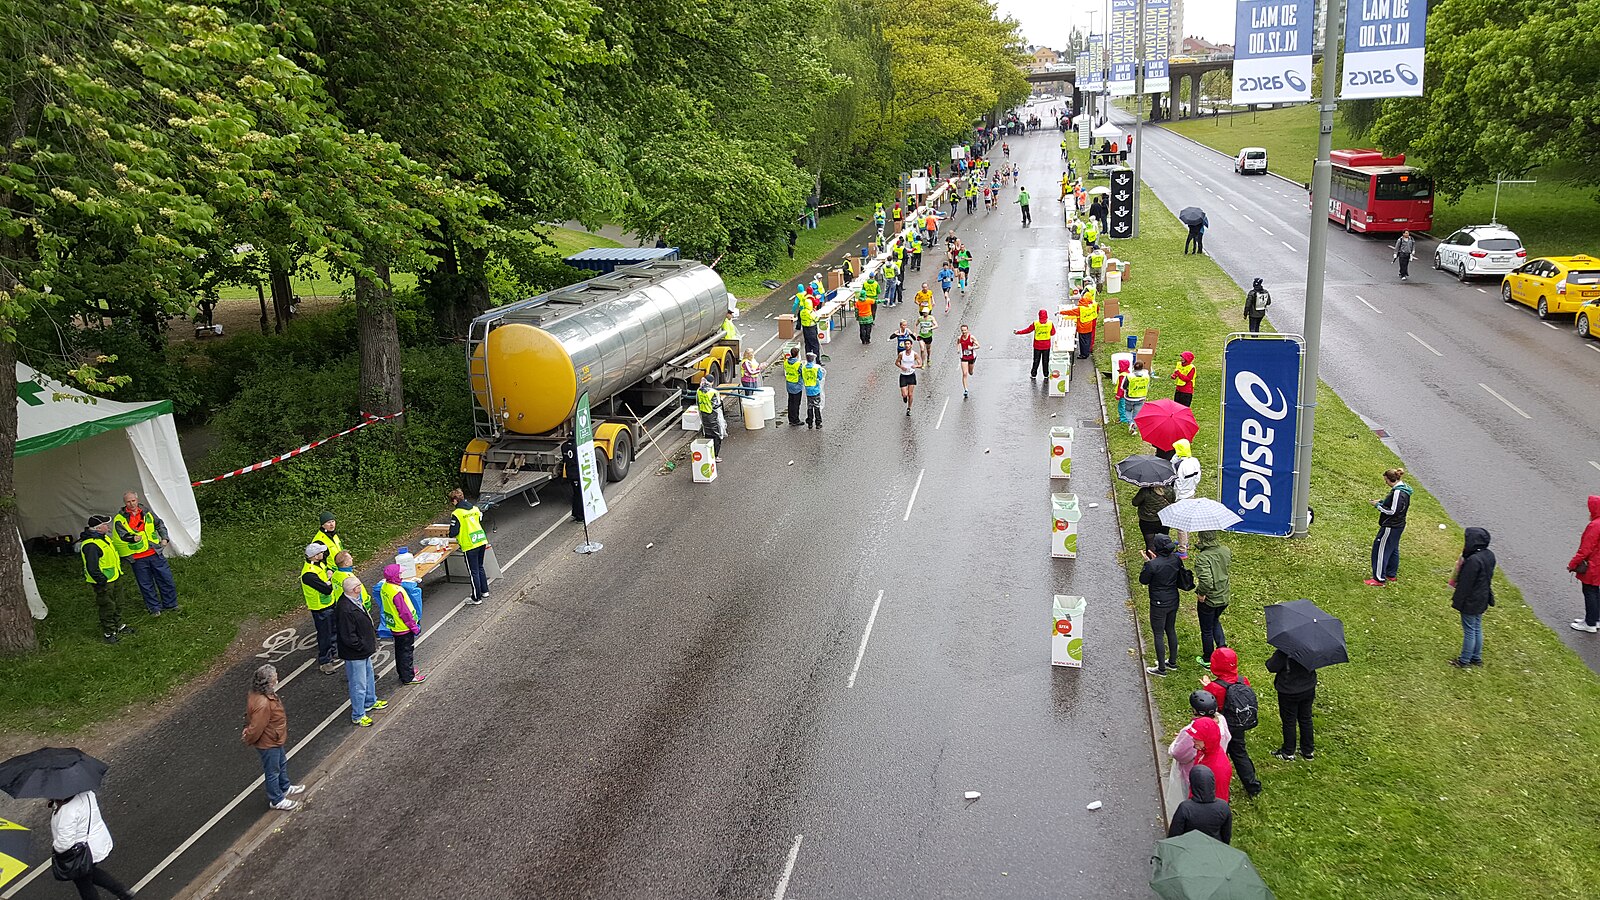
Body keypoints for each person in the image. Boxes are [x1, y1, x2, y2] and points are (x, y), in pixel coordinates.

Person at [48, 790, 135, 899]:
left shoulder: (67, 812)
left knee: (84, 885)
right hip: (95, 843)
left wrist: (55, 848)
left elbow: (65, 844)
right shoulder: (87, 794)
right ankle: (122, 891)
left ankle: (122, 891)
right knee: (91, 873)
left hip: (80, 854)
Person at [243, 664, 305, 810]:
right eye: (275, 679)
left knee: (281, 763)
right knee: (273, 771)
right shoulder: (264, 703)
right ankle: (276, 799)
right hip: (269, 741)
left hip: (274, 738)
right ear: (268, 683)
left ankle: (285, 787)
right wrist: (248, 737)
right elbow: (257, 727)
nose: (277, 680)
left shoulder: (258, 694)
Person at [1201, 648, 1262, 798]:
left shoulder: (1215, 687)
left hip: (1221, 726)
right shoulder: (1243, 680)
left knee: (1219, 755)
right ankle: (1252, 786)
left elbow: (1210, 704)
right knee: (1240, 753)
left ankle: (1217, 786)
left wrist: (1207, 686)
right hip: (1238, 723)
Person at [111, 491, 178, 615]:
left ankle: (171, 604)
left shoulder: (147, 512)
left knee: (166, 579)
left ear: (137, 500)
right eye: (128, 502)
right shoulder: (119, 518)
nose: (131, 504)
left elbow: (159, 524)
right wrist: (132, 538)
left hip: (154, 552)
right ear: (124, 503)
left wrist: (164, 538)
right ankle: (154, 608)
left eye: (133, 501)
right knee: (146, 584)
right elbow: (122, 535)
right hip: (137, 557)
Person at [335, 575, 385, 726]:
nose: (361, 588)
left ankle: (370, 701)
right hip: (356, 653)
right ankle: (358, 714)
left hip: (363, 650)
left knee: (368, 676)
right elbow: (348, 636)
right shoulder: (345, 609)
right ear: (355, 590)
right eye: (359, 586)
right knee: (358, 684)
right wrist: (361, 646)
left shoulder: (352, 602)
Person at [1139, 534, 1191, 676]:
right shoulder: (1176, 558)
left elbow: (1143, 580)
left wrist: (1147, 563)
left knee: (1158, 634)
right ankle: (1172, 662)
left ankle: (1161, 668)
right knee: (1170, 629)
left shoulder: (1152, 565)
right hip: (1173, 599)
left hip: (1158, 603)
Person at [79, 515, 134, 645]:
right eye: (105, 524)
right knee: (107, 606)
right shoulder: (91, 545)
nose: (108, 526)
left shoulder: (104, 539)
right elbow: (92, 567)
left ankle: (118, 625)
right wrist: (101, 580)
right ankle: (109, 632)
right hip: (104, 582)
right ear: (98, 528)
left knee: (119, 602)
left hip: (115, 577)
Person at [1449, 527, 1496, 668]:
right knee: (1476, 626)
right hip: (1482, 597)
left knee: (1469, 629)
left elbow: (1465, 584)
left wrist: (1457, 601)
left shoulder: (1473, 561)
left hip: (1471, 600)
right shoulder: (1489, 555)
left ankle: (1464, 660)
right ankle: (1476, 657)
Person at [1266, 647, 1318, 761]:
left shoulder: (1286, 649)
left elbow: (1271, 666)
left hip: (1289, 690)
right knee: (1306, 718)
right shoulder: (1313, 648)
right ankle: (1308, 751)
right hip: (1308, 687)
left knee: (1289, 721)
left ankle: (1288, 752)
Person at [1366, 467, 1412, 586]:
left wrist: (1378, 506)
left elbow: (1393, 511)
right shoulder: (1404, 489)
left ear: (1389, 479)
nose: (1385, 482)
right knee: (1393, 549)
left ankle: (1378, 579)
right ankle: (1390, 574)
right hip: (1399, 525)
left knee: (1380, 549)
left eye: (1385, 480)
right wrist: (1382, 501)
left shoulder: (1398, 492)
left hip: (1391, 526)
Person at [380, 564, 426, 684]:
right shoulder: (397, 591)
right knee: (406, 652)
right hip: (403, 627)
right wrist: (413, 626)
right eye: (399, 574)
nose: (401, 576)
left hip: (394, 625)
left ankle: (405, 671)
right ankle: (408, 677)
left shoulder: (385, 587)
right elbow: (404, 612)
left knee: (400, 651)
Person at [1191, 530, 1231, 665]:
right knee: (1215, 621)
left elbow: (1207, 581)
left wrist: (1201, 594)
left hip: (1210, 599)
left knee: (1206, 629)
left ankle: (1208, 659)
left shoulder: (1203, 557)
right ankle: (1222, 648)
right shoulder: (1225, 550)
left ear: (1202, 539)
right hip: (1223, 596)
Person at [298, 542, 339, 672]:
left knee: (333, 629)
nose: (323, 554)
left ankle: (334, 651)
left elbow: (327, 577)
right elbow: (326, 589)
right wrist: (330, 580)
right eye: (320, 552)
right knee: (325, 634)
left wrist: (328, 579)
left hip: (329, 603)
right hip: (320, 608)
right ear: (315, 556)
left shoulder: (319, 564)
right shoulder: (308, 574)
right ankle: (325, 660)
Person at [446, 488, 490, 605]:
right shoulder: (475, 508)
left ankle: (476, 597)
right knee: (480, 567)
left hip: (469, 544)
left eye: (452, 501)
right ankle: (484, 591)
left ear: (455, 500)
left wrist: (449, 532)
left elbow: (453, 532)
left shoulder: (457, 513)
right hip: (480, 539)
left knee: (473, 571)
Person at [1168, 767, 1233, 844]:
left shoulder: (1185, 808)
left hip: (1189, 847)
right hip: (1214, 847)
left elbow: (1174, 835)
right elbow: (1226, 835)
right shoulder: (1223, 807)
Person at [1568, 495, 1600, 632]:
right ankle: (1595, 619)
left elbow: (1585, 549)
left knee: (1589, 591)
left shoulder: (1595, 525)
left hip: (1593, 565)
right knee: (1595, 591)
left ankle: (1590, 623)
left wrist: (1573, 564)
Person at [1184, 716, 1234, 802]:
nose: (1193, 740)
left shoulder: (1219, 769)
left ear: (1207, 739)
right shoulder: (1203, 750)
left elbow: (1220, 801)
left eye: (1197, 738)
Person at [1172, 439, 1203, 556]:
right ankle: (1186, 542)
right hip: (1191, 492)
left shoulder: (1179, 465)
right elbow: (1197, 477)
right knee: (1187, 519)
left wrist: (1175, 495)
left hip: (1181, 495)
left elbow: (1177, 482)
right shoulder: (1194, 461)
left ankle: (1182, 550)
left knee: (1181, 523)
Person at [1133, 482, 1174, 551]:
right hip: (1164, 519)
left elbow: (1135, 503)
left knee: (1150, 543)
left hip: (1148, 521)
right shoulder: (1169, 489)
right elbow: (1173, 500)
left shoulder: (1145, 491)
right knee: (1163, 540)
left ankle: (1151, 560)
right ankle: (1163, 557)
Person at [1016, 310, 1054, 379]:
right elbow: (1053, 333)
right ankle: (1046, 374)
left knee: (1036, 360)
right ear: (1046, 316)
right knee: (1045, 361)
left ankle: (1033, 374)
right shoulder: (1050, 323)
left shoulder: (1036, 323)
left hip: (1037, 346)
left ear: (1039, 316)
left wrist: (1018, 332)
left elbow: (1028, 330)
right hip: (1046, 346)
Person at [696, 377, 724, 461]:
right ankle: (715, 456)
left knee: (708, 435)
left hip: (704, 416)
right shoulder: (713, 392)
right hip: (713, 416)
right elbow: (717, 405)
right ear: (712, 382)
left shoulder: (699, 391)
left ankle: (708, 454)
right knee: (717, 436)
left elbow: (697, 402)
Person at [896, 338, 923, 415]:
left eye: (908, 344)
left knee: (910, 394)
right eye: (906, 344)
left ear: (911, 345)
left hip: (911, 375)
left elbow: (921, 364)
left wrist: (916, 366)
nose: (907, 345)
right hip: (903, 376)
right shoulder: (901, 354)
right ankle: (904, 397)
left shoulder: (914, 354)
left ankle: (909, 408)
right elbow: (897, 362)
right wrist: (901, 367)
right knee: (905, 394)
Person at [1125, 359, 1151, 434]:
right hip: (1141, 398)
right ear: (1142, 367)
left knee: (1127, 410)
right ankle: (1134, 424)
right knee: (1136, 413)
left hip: (1129, 397)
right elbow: (1147, 385)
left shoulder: (1129, 376)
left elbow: (1124, 386)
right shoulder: (1146, 376)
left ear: (1133, 367)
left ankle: (1130, 422)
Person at [802, 352, 825, 429]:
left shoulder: (804, 368)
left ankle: (810, 422)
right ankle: (818, 422)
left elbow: (802, 376)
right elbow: (820, 377)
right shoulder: (816, 368)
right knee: (817, 406)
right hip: (816, 389)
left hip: (808, 389)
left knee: (809, 406)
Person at [781, 346, 803, 427]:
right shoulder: (798, 364)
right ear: (797, 354)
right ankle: (796, 420)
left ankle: (790, 419)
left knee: (790, 402)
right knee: (796, 403)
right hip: (797, 385)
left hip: (789, 384)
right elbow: (802, 373)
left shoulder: (786, 361)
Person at [796, 287, 821, 360]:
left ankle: (808, 359)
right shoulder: (810, 312)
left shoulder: (802, 312)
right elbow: (817, 319)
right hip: (811, 328)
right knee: (815, 345)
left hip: (805, 329)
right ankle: (817, 360)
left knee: (808, 345)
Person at [957, 325, 979, 398]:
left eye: (965, 330)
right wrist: (958, 349)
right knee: (964, 373)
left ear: (967, 330)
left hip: (971, 357)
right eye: (962, 330)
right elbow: (957, 343)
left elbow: (978, 345)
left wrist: (972, 347)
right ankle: (966, 390)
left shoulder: (971, 337)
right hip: (964, 357)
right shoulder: (960, 338)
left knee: (970, 372)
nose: (963, 332)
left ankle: (971, 369)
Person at [1074, 292, 1098, 360]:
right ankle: (1089, 349)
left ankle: (1085, 353)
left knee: (1084, 339)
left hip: (1085, 324)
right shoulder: (1094, 304)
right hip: (1093, 321)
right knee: (1090, 337)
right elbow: (1097, 310)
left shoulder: (1084, 308)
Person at [1115, 358, 1132, 423]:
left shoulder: (1122, 376)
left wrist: (1118, 395)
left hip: (1122, 395)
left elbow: (1121, 387)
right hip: (1128, 394)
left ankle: (1124, 419)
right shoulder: (1128, 373)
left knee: (1122, 407)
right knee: (1126, 407)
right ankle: (1126, 418)